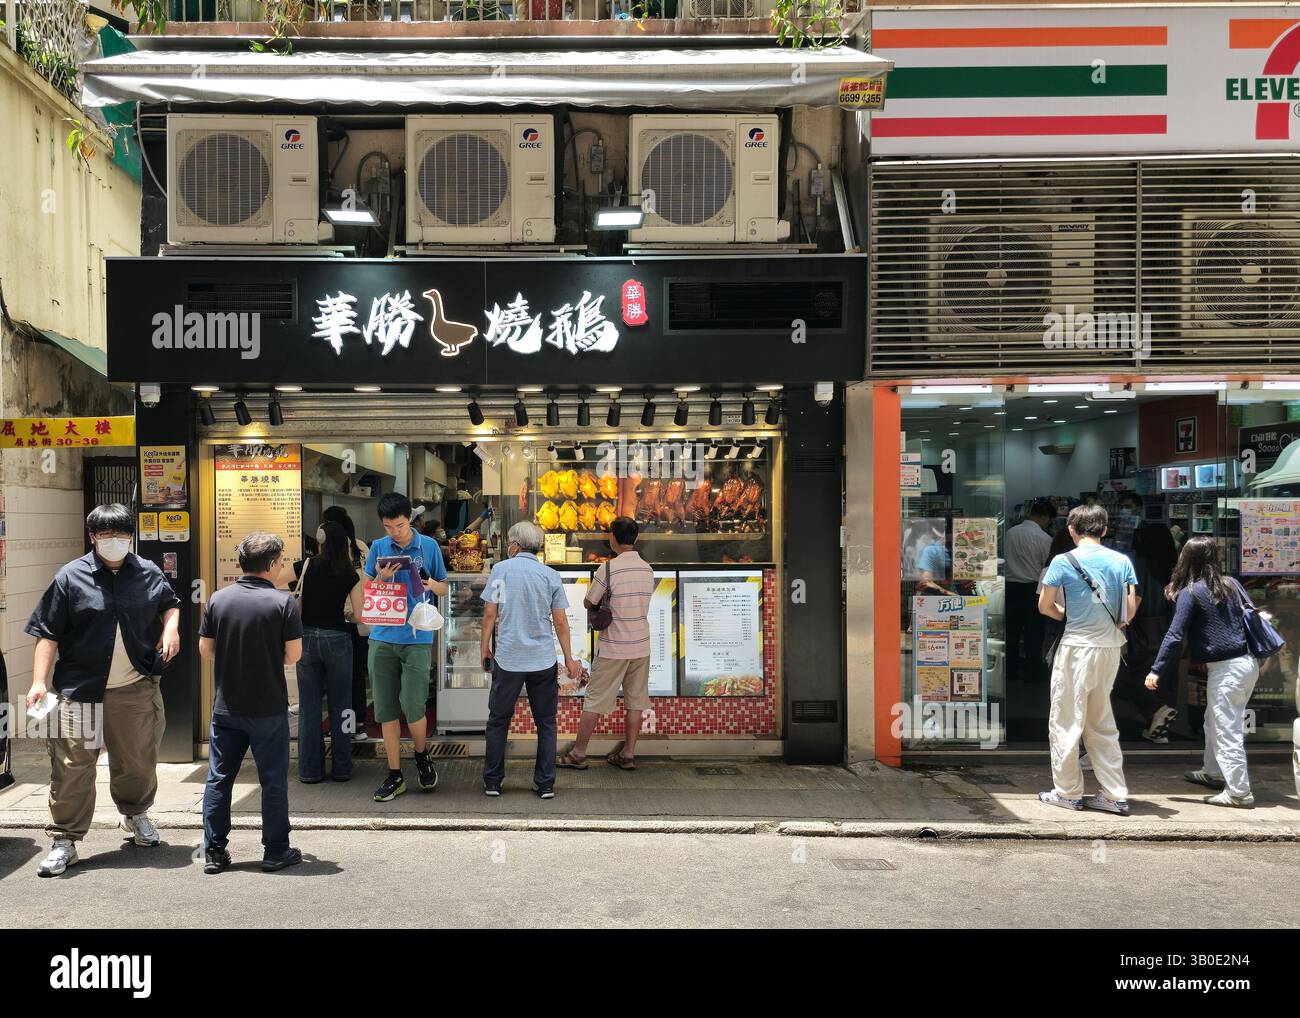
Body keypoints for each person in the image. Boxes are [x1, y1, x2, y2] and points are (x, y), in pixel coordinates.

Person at [24, 504, 181, 877]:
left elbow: (170, 603)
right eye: (106, 535)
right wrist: (37, 681)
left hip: (134, 686)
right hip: (80, 689)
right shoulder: (69, 577)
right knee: (72, 768)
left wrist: (170, 627)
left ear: (131, 536)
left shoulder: (147, 572)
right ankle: (65, 840)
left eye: (122, 535)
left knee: (138, 761)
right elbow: (47, 632)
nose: (114, 542)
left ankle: (135, 814)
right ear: (92, 537)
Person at [199, 532, 304, 873]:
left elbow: (206, 650)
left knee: (219, 778)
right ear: (273, 565)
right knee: (272, 779)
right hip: (268, 707)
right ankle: (275, 850)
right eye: (281, 561)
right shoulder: (283, 603)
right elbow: (294, 655)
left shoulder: (218, 599)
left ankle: (214, 851)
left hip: (226, 706)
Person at [1037, 504, 1137, 816]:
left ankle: (1068, 792)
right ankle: (1114, 794)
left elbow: (1045, 605)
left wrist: (1067, 616)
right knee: (1102, 721)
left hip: (1077, 647)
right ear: (1105, 529)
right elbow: (1129, 611)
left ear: (1071, 530)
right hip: (1109, 648)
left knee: (1066, 720)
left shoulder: (1063, 560)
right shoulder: (1122, 561)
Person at [1145, 537, 1261, 808]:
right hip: (1246, 664)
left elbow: (1175, 635)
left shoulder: (1191, 591)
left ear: (1185, 559)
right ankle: (1213, 772)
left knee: (1226, 728)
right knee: (1214, 720)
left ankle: (1239, 792)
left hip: (1227, 670)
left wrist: (1156, 669)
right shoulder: (1231, 584)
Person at [480, 521, 580, 798]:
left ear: (515, 545)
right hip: (542, 660)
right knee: (546, 722)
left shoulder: (500, 570)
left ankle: (493, 782)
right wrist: (569, 659)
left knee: (498, 721)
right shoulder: (549, 575)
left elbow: (490, 614)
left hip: (509, 658)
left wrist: (484, 649)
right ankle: (545, 784)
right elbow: (560, 622)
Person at [364, 492, 448, 802]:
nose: (394, 532)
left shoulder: (428, 546)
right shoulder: (377, 548)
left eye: (399, 525)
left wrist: (428, 584)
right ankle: (394, 774)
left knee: (414, 707)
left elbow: (443, 585)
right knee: (385, 709)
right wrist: (381, 580)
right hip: (383, 636)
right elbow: (368, 588)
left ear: (409, 519)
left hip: (417, 638)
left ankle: (422, 755)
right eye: (388, 527)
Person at [559, 516, 656, 771]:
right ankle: (628, 754)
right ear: (634, 539)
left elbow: (588, 602)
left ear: (613, 537)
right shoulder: (648, 569)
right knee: (635, 701)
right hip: (641, 646)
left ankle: (579, 753)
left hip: (614, 646)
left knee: (594, 700)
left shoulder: (608, 569)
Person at [295, 521, 365, 783]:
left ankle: (309, 771)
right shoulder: (350, 573)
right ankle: (342, 768)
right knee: (341, 706)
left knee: (309, 707)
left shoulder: (307, 565)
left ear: (320, 540)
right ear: (345, 544)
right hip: (338, 639)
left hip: (307, 639)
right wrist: (345, 613)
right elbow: (358, 615)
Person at [1114, 522, 1179, 743]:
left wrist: (1120, 625)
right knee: (1161, 678)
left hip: (1144, 628)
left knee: (1130, 677)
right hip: (1169, 627)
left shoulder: (1140, 564)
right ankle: (1158, 729)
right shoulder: (1175, 565)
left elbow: (1136, 598)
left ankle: (1157, 710)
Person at [318, 506, 370, 743]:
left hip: (339, 620)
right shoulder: (361, 547)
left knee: (338, 677)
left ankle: (340, 726)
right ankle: (358, 724)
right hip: (362, 620)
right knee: (357, 674)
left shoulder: (330, 551)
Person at [1004, 501, 1054, 684]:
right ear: (1045, 517)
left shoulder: (1010, 533)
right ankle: (1033, 673)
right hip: (1033, 588)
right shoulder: (1044, 538)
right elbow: (1046, 566)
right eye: (1049, 520)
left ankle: (1010, 670)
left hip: (1010, 586)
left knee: (1012, 631)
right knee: (1034, 633)